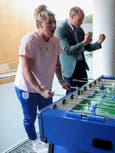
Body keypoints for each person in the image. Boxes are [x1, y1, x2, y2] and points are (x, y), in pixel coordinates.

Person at [14, 5, 70, 153]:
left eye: (54, 22)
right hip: (26, 87)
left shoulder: (55, 41)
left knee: (46, 114)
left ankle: (46, 139)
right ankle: (34, 143)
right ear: (40, 24)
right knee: (30, 117)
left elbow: (57, 64)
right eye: (50, 22)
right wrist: (40, 90)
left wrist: (61, 81)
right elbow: (26, 70)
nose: (54, 25)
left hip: (45, 87)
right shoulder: (29, 40)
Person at [55, 6, 106, 94]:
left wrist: (99, 42)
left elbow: (87, 47)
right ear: (71, 16)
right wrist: (83, 42)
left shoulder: (80, 30)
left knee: (84, 93)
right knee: (70, 98)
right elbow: (68, 50)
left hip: (81, 67)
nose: (81, 22)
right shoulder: (61, 30)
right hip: (70, 70)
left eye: (82, 20)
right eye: (79, 20)